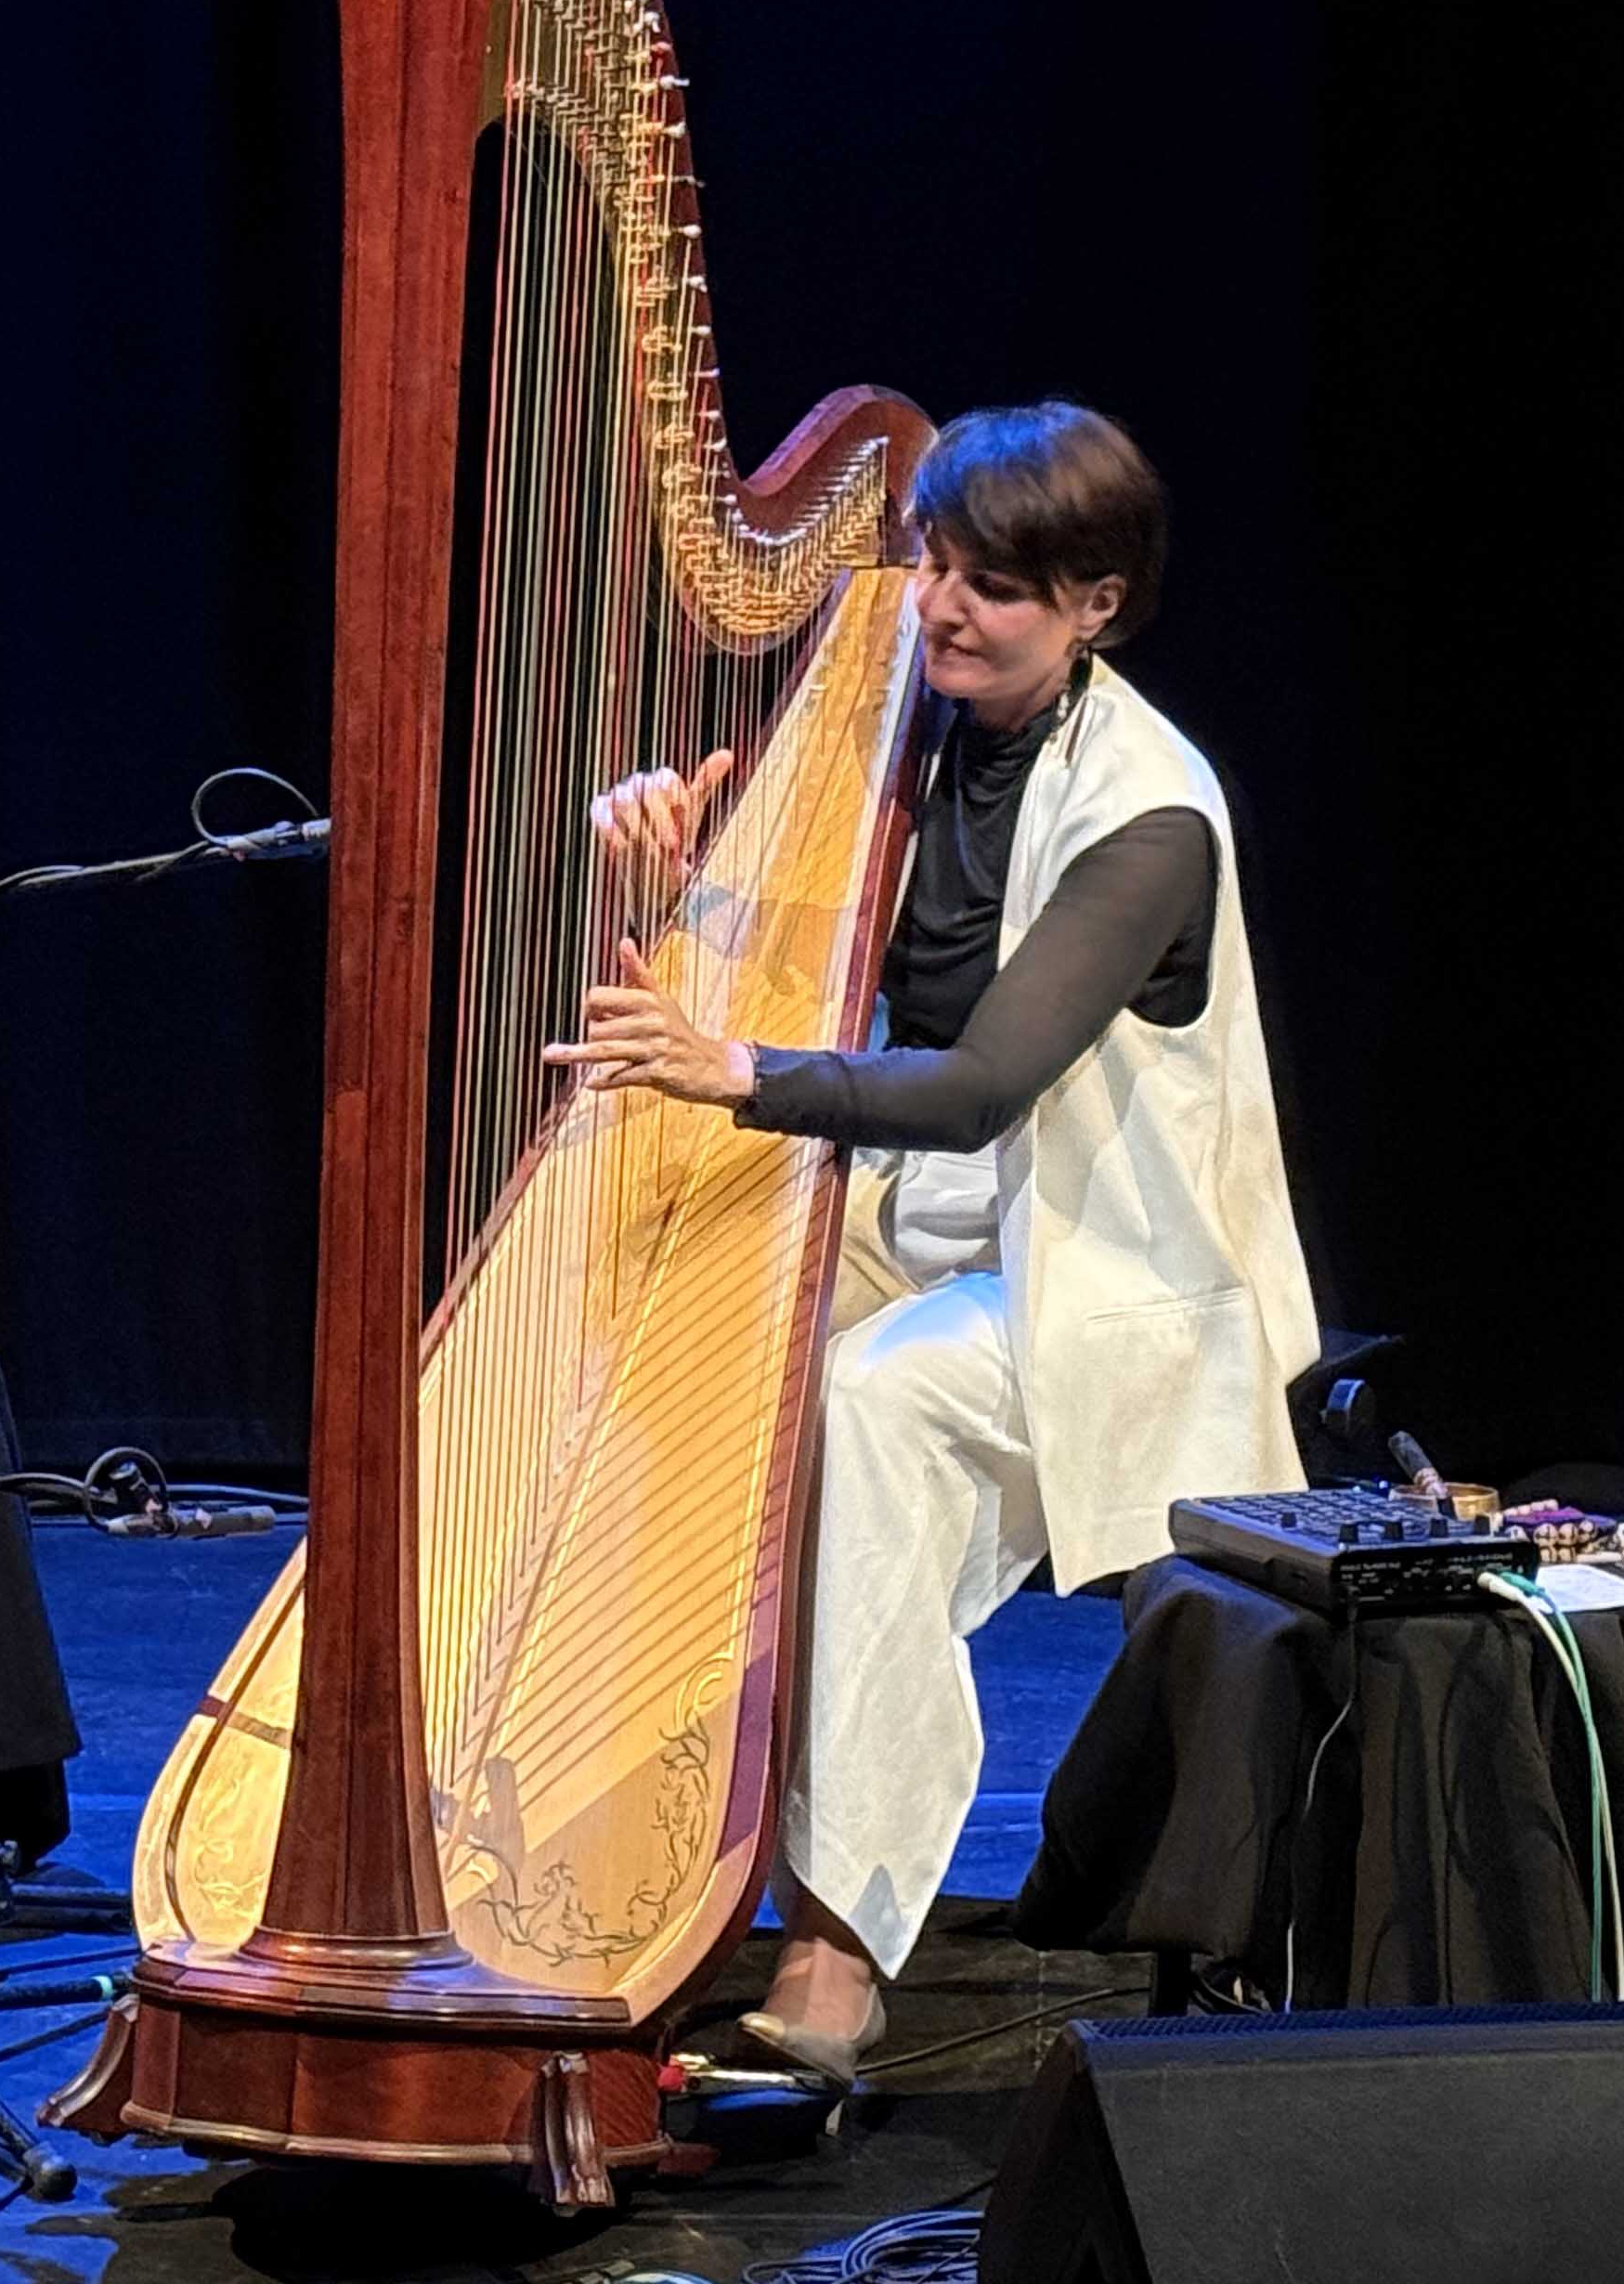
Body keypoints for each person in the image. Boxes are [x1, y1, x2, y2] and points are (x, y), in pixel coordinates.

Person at [548, 400, 1316, 2078]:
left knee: (877, 1403)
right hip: (933, 1220)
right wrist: (665, 870)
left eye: (998, 591)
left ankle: (838, 1939)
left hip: (1109, 1283)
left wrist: (734, 1071)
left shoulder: (1152, 815)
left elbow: (976, 1086)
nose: (945, 610)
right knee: (659, 1345)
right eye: (938, 569)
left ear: (1097, 605)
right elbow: (783, 953)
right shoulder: (906, 717)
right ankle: (631, 1843)